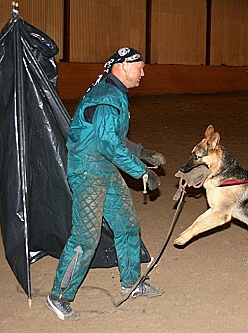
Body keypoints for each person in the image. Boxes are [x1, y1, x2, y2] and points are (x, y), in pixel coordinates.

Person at [46, 47, 166, 320]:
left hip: (103, 168)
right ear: (123, 66)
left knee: (127, 225)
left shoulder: (111, 93)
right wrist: (141, 172)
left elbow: (109, 135)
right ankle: (58, 296)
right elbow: (107, 143)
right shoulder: (108, 97)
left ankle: (131, 283)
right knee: (86, 238)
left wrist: (140, 152)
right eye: (140, 67)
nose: (143, 73)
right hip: (89, 172)